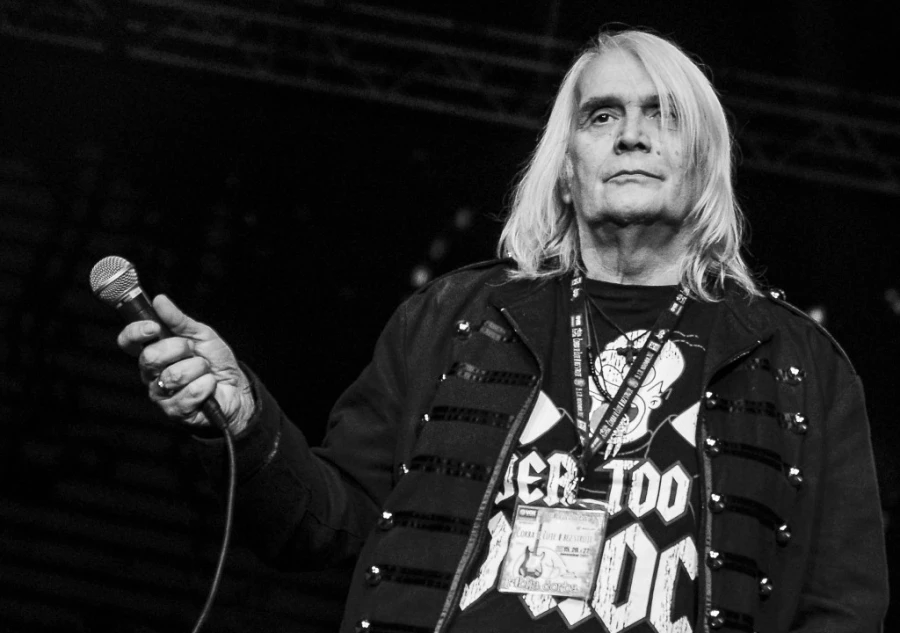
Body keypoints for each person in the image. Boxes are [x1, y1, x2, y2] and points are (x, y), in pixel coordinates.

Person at [117, 29, 888, 633]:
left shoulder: (801, 365)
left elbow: (843, 608)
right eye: (603, 115)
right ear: (566, 166)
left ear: (705, 160)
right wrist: (245, 420)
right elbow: (327, 524)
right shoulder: (454, 317)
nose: (632, 135)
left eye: (664, 115)